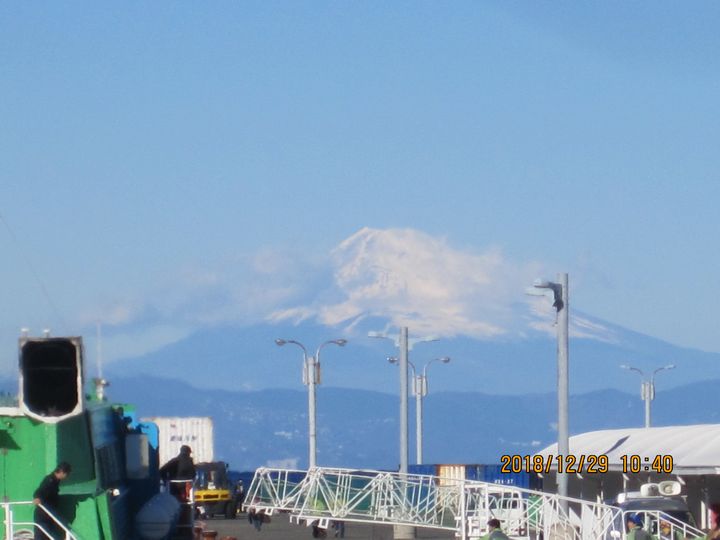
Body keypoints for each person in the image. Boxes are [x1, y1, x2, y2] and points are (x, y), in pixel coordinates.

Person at [32, 462, 72, 540]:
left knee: (48, 536)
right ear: (62, 472)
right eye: (67, 474)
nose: (67, 477)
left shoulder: (56, 481)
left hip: (49, 514)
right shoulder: (50, 480)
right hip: (43, 514)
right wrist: (37, 497)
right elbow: (39, 491)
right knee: (42, 536)